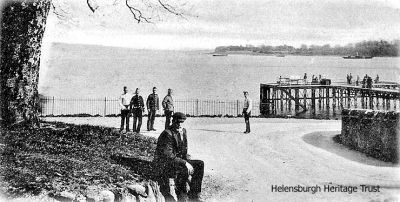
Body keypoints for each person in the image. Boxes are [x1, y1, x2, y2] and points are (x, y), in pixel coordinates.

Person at [153, 112, 204, 201]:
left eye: (182, 122)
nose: (179, 125)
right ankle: (182, 195)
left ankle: (194, 195)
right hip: (165, 163)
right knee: (183, 168)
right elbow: (168, 155)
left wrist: (186, 161)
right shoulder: (167, 133)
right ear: (173, 122)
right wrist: (185, 163)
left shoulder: (183, 131)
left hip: (177, 160)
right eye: (177, 122)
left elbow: (183, 151)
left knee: (200, 164)